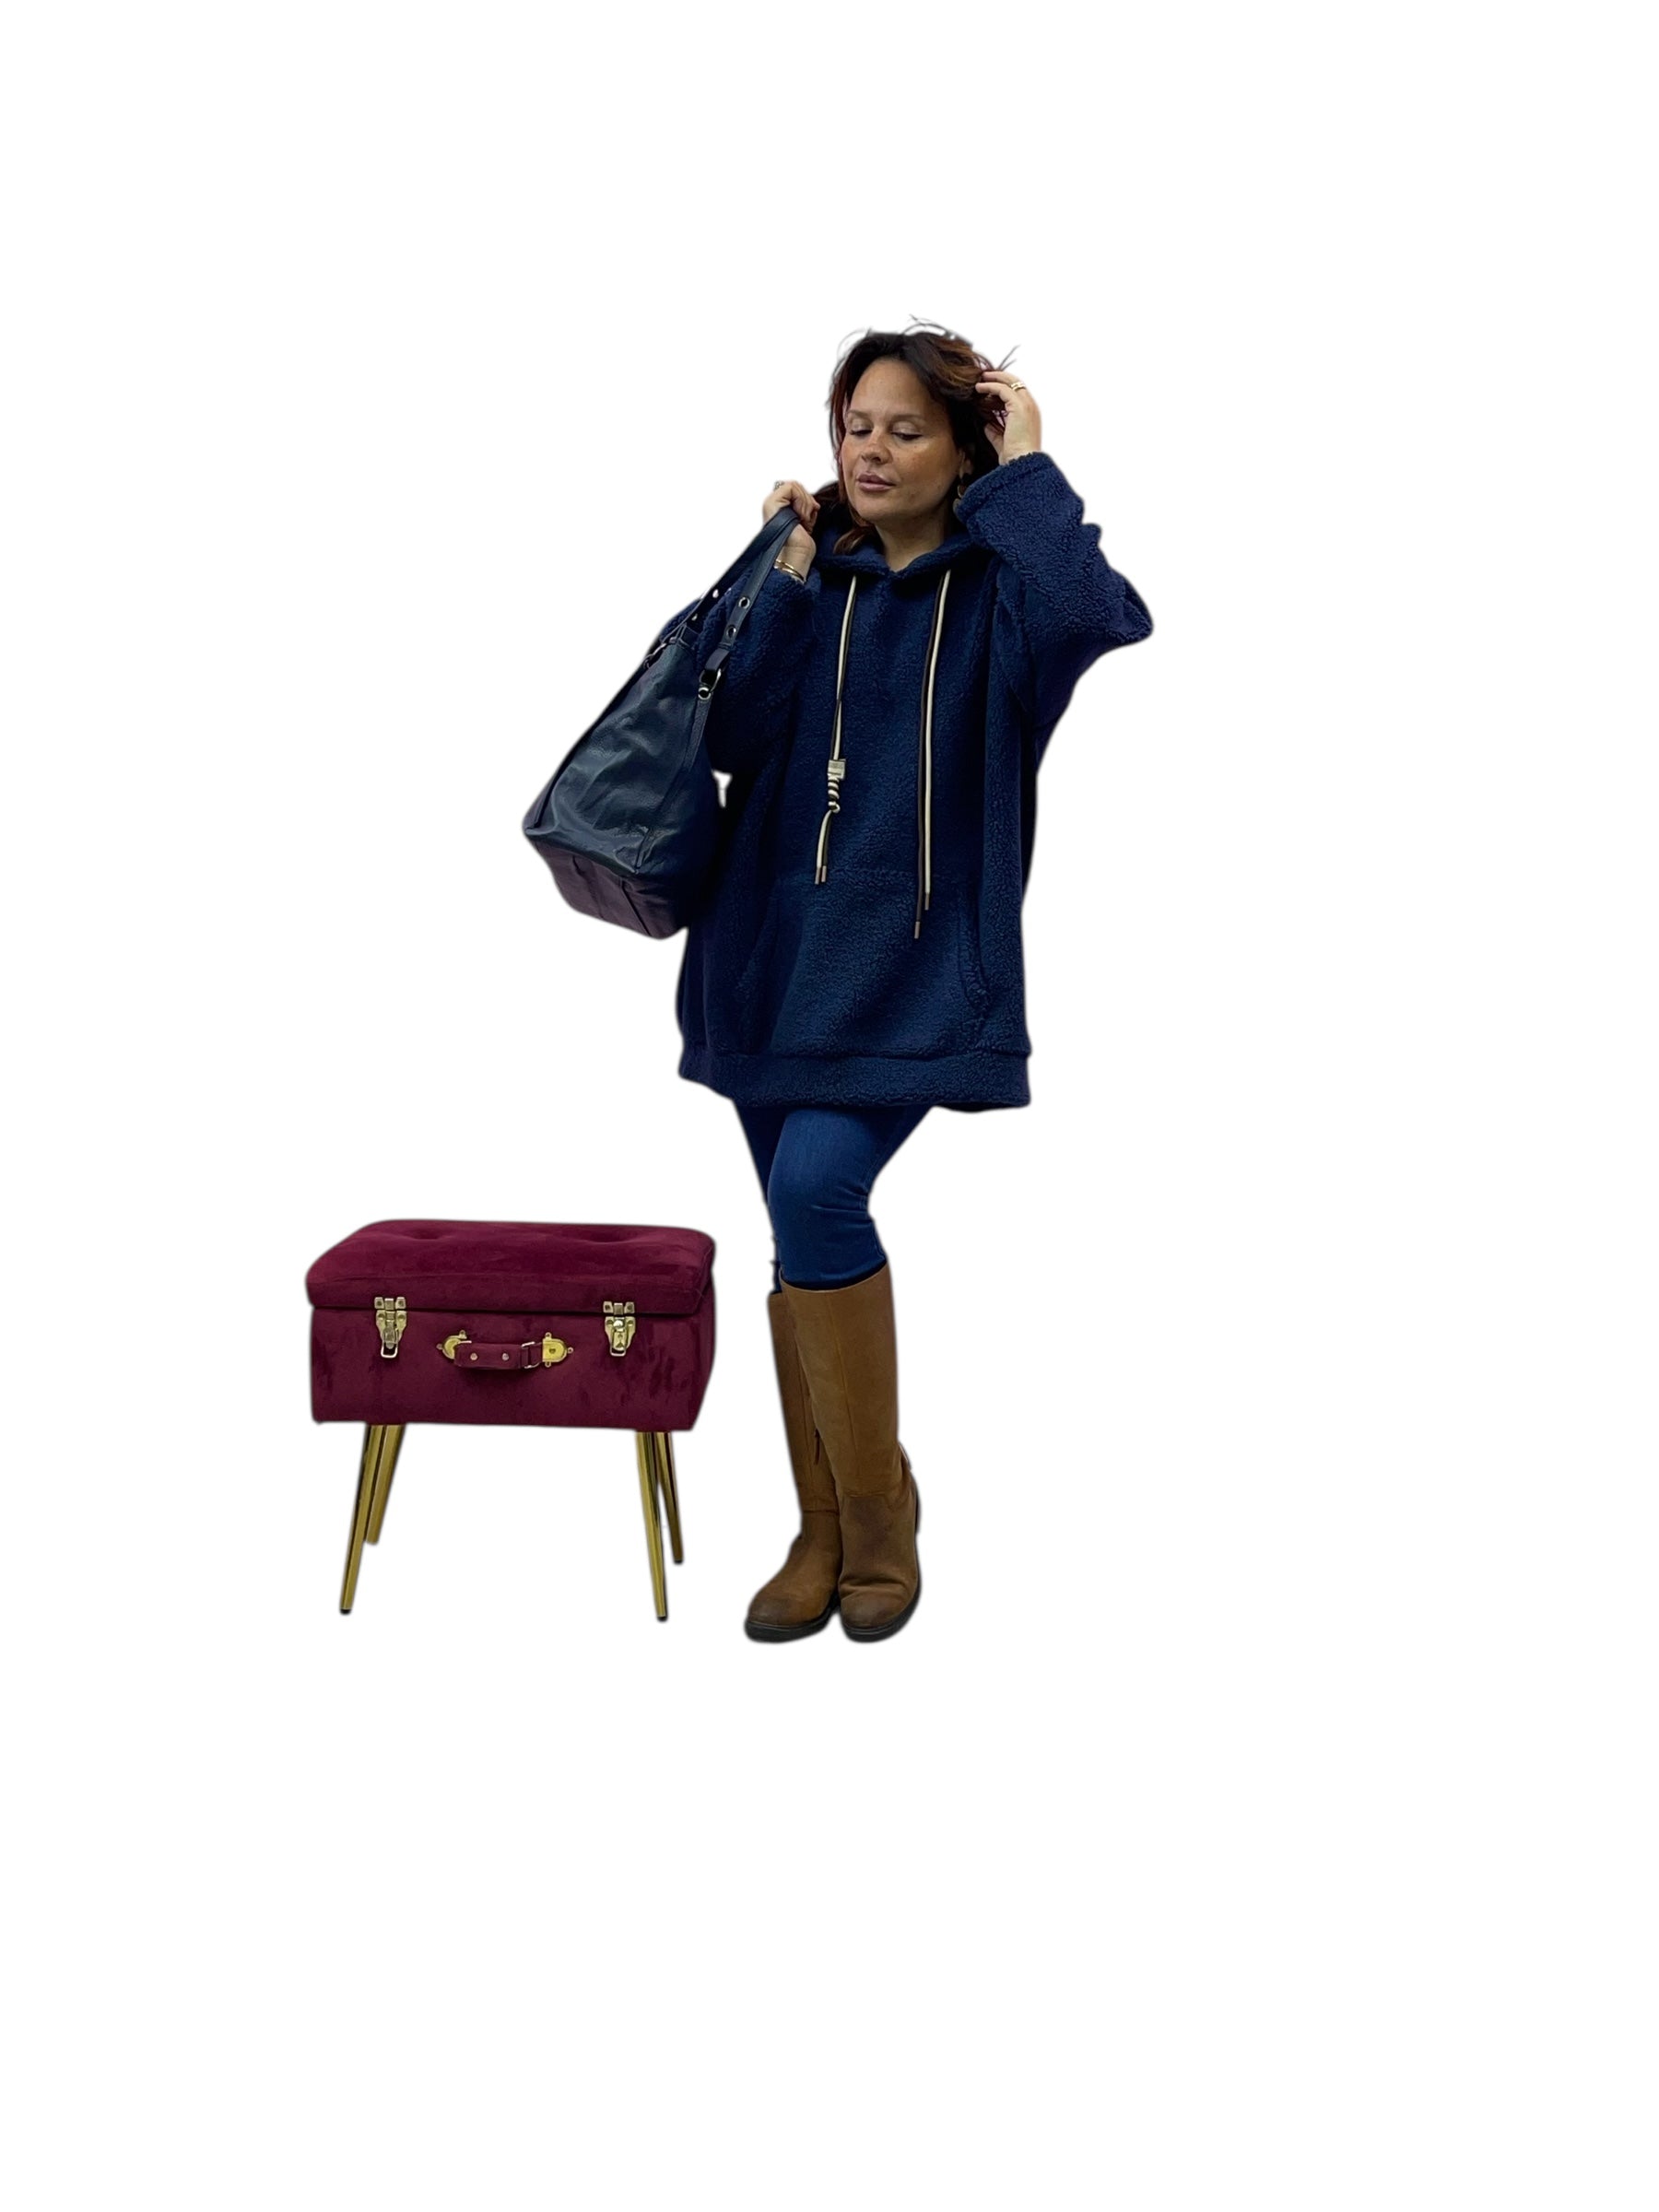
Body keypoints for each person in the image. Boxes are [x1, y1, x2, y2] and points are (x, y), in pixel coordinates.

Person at [651, 323, 1153, 1644]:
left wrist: (1028, 468)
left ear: (963, 447)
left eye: (905, 429)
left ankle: (877, 1522)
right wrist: (782, 568)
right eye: (854, 426)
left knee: (818, 1190)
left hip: (912, 974)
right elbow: (725, 729)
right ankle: (818, 1530)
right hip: (763, 962)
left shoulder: (1007, 596)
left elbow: (1098, 616)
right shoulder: (811, 568)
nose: (869, 451)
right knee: (799, 1230)